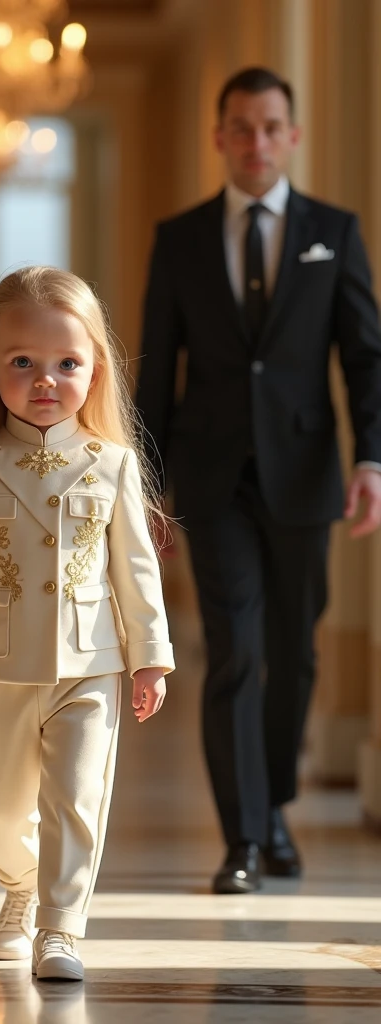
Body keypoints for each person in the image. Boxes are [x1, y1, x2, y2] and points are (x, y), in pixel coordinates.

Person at [136, 66, 381, 895]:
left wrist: (373, 459)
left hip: (308, 476)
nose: (256, 142)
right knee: (235, 650)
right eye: (240, 127)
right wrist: (147, 489)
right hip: (210, 481)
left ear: (293, 136)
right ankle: (241, 837)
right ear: (220, 136)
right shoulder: (181, 238)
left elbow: (364, 358)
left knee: (296, 653)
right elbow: (155, 373)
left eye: (271, 127)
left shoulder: (334, 231)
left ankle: (273, 804)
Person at [0, 266, 174, 981]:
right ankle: (18, 890)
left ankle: (61, 928)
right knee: (5, 804)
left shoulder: (112, 465)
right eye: (23, 362)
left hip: (93, 663)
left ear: (95, 371)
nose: (45, 379)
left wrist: (150, 657)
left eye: (66, 364)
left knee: (77, 800)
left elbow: (136, 571)